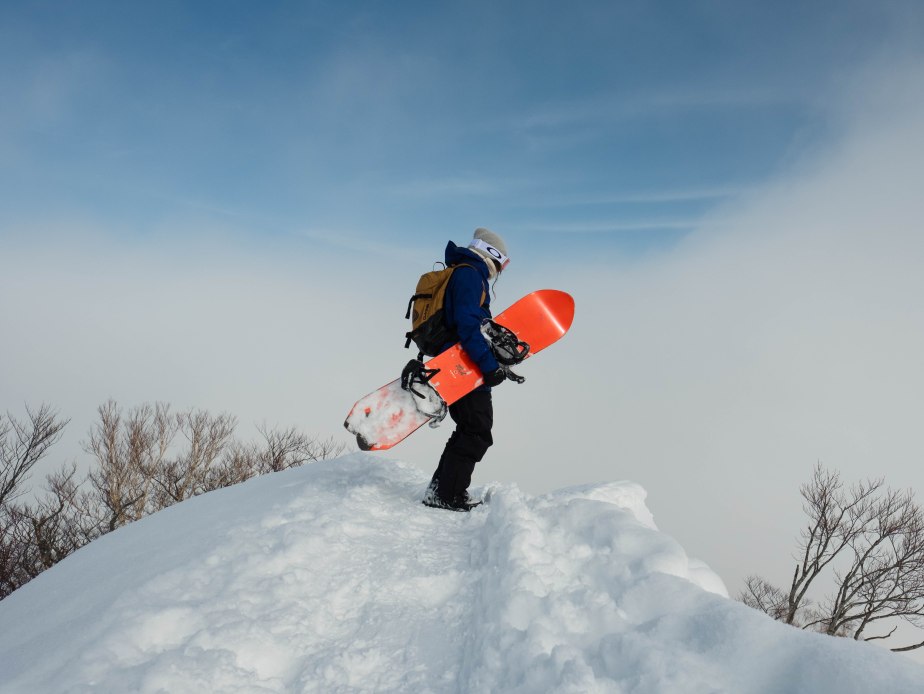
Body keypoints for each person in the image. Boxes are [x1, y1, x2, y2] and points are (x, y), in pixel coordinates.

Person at [423, 227, 510, 512]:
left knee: (470, 428)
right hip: (463, 364)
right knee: (477, 429)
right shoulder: (471, 274)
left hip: (457, 360)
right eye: (502, 263)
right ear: (492, 255)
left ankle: (442, 490)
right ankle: (447, 494)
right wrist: (488, 365)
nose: (500, 271)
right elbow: (468, 324)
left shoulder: (466, 272)